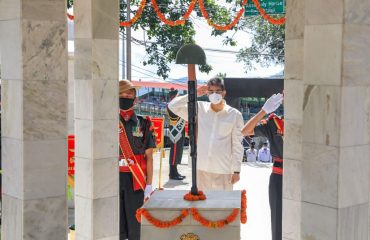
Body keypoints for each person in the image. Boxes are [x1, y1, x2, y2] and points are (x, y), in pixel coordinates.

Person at [169, 77, 244, 191]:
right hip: (200, 169)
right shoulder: (199, 108)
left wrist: (237, 170)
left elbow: (237, 145)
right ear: (207, 93)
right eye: (211, 91)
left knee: (222, 207)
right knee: (200, 207)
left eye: (218, 91)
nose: (214, 94)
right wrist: (193, 94)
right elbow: (172, 106)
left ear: (224, 93)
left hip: (223, 171)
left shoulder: (234, 115)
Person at [242, 93, 283, 240]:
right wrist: (264, 111)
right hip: (280, 176)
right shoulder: (274, 123)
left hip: (303, 174)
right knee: (278, 220)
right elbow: (245, 131)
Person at [118, 80, 156, 240]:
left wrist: (149, 184)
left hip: (136, 180)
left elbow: (149, 156)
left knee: (136, 224)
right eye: (122, 93)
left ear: (135, 98)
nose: (125, 96)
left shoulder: (144, 123)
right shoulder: (106, 122)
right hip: (114, 179)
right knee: (116, 222)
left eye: (129, 93)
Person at [167, 89, 186, 180]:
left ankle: (175, 171)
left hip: (179, 130)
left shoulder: (176, 105)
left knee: (178, 151)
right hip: (175, 131)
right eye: (177, 96)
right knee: (174, 152)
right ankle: (172, 173)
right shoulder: (171, 105)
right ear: (173, 96)